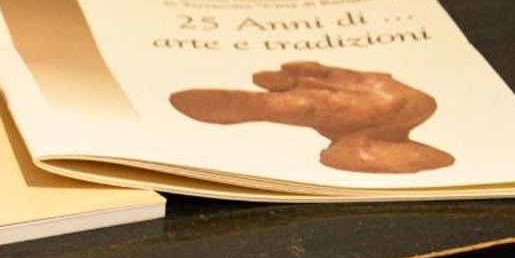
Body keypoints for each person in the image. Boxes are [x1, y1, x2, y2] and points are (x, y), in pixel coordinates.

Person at [169, 60, 455, 173]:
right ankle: (305, 106)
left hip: (373, 124)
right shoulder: (398, 105)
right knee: (390, 103)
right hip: (372, 123)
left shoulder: (397, 110)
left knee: (389, 103)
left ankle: (305, 106)